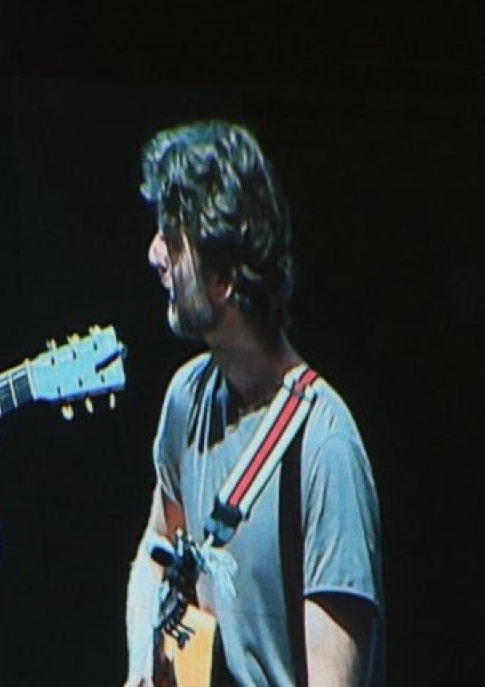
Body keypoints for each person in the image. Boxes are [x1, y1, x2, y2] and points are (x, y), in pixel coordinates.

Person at [123, 121, 383, 687]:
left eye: (173, 235)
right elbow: (156, 546)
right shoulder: (185, 401)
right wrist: (142, 667)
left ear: (223, 277)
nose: (154, 254)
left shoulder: (325, 449)